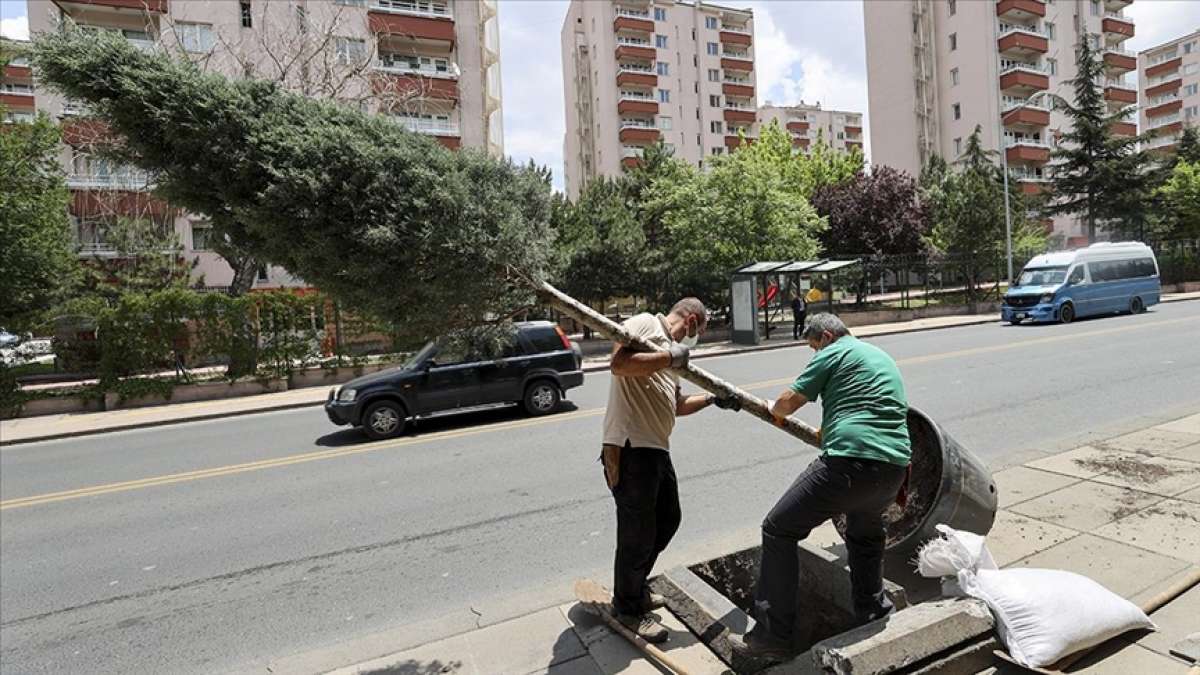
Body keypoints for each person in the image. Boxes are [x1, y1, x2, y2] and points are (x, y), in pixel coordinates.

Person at [731, 313, 911, 663]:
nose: (814, 354)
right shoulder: (878, 355)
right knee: (865, 537)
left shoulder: (835, 351)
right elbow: (868, 409)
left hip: (850, 463)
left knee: (778, 529)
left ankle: (772, 636)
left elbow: (787, 403)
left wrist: (774, 408)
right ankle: (875, 615)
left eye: (814, 347)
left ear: (827, 336)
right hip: (893, 470)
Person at [602, 297, 741, 643]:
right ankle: (628, 608)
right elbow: (618, 364)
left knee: (668, 520)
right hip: (631, 447)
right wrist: (669, 357)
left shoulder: (669, 351)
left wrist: (712, 399)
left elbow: (677, 405)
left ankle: (634, 587)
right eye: (702, 330)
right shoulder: (647, 324)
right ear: (692, 320)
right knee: (637, 533)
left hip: (656, 450)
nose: (697, 338)